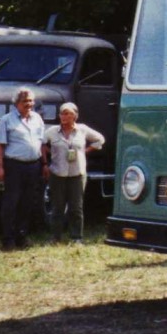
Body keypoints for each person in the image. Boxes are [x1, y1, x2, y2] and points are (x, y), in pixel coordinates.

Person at [42, 102, 105, 243]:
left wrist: (85, 151)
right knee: (57, 207)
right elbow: (41, 143)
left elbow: (100, 139)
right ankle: (55, 237)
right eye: (62, 113)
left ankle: (76, 237)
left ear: (75, 116)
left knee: (76, 207)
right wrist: (46, 160)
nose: (63, 116)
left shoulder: (82, 130)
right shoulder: (52, 131)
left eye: (67, 113)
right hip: (57, 173)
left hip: (77, 173)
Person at [0, 87, 46, 250]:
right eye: (25, 101)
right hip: (14, 166)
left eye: (31, 101)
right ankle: (7, 239)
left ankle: (21, 237)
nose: (29, 104)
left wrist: (44, 164)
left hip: (33, 165)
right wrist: (0, 167)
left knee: (28, 202)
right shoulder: (6, 120)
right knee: (11, 202)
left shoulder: (37, 118)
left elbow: (42, 144)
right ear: (17, 103)